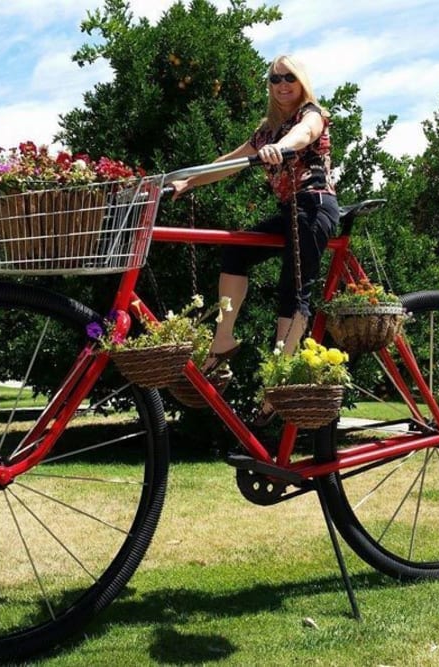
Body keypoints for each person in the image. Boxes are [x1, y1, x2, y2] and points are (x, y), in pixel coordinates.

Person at [170, 55, 339, 422]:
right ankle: (223, 340)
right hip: (289, 212)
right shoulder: (267, 130)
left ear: (301, 81)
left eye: (289, 78)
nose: (282, 85)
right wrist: (188, 181)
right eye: (275, 78)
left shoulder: (309, 113)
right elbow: (229, 162)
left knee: (293, 291)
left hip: (314, 206)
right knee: (237, 250)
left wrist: (284, 146)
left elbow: (306, 134)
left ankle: (278, 380)